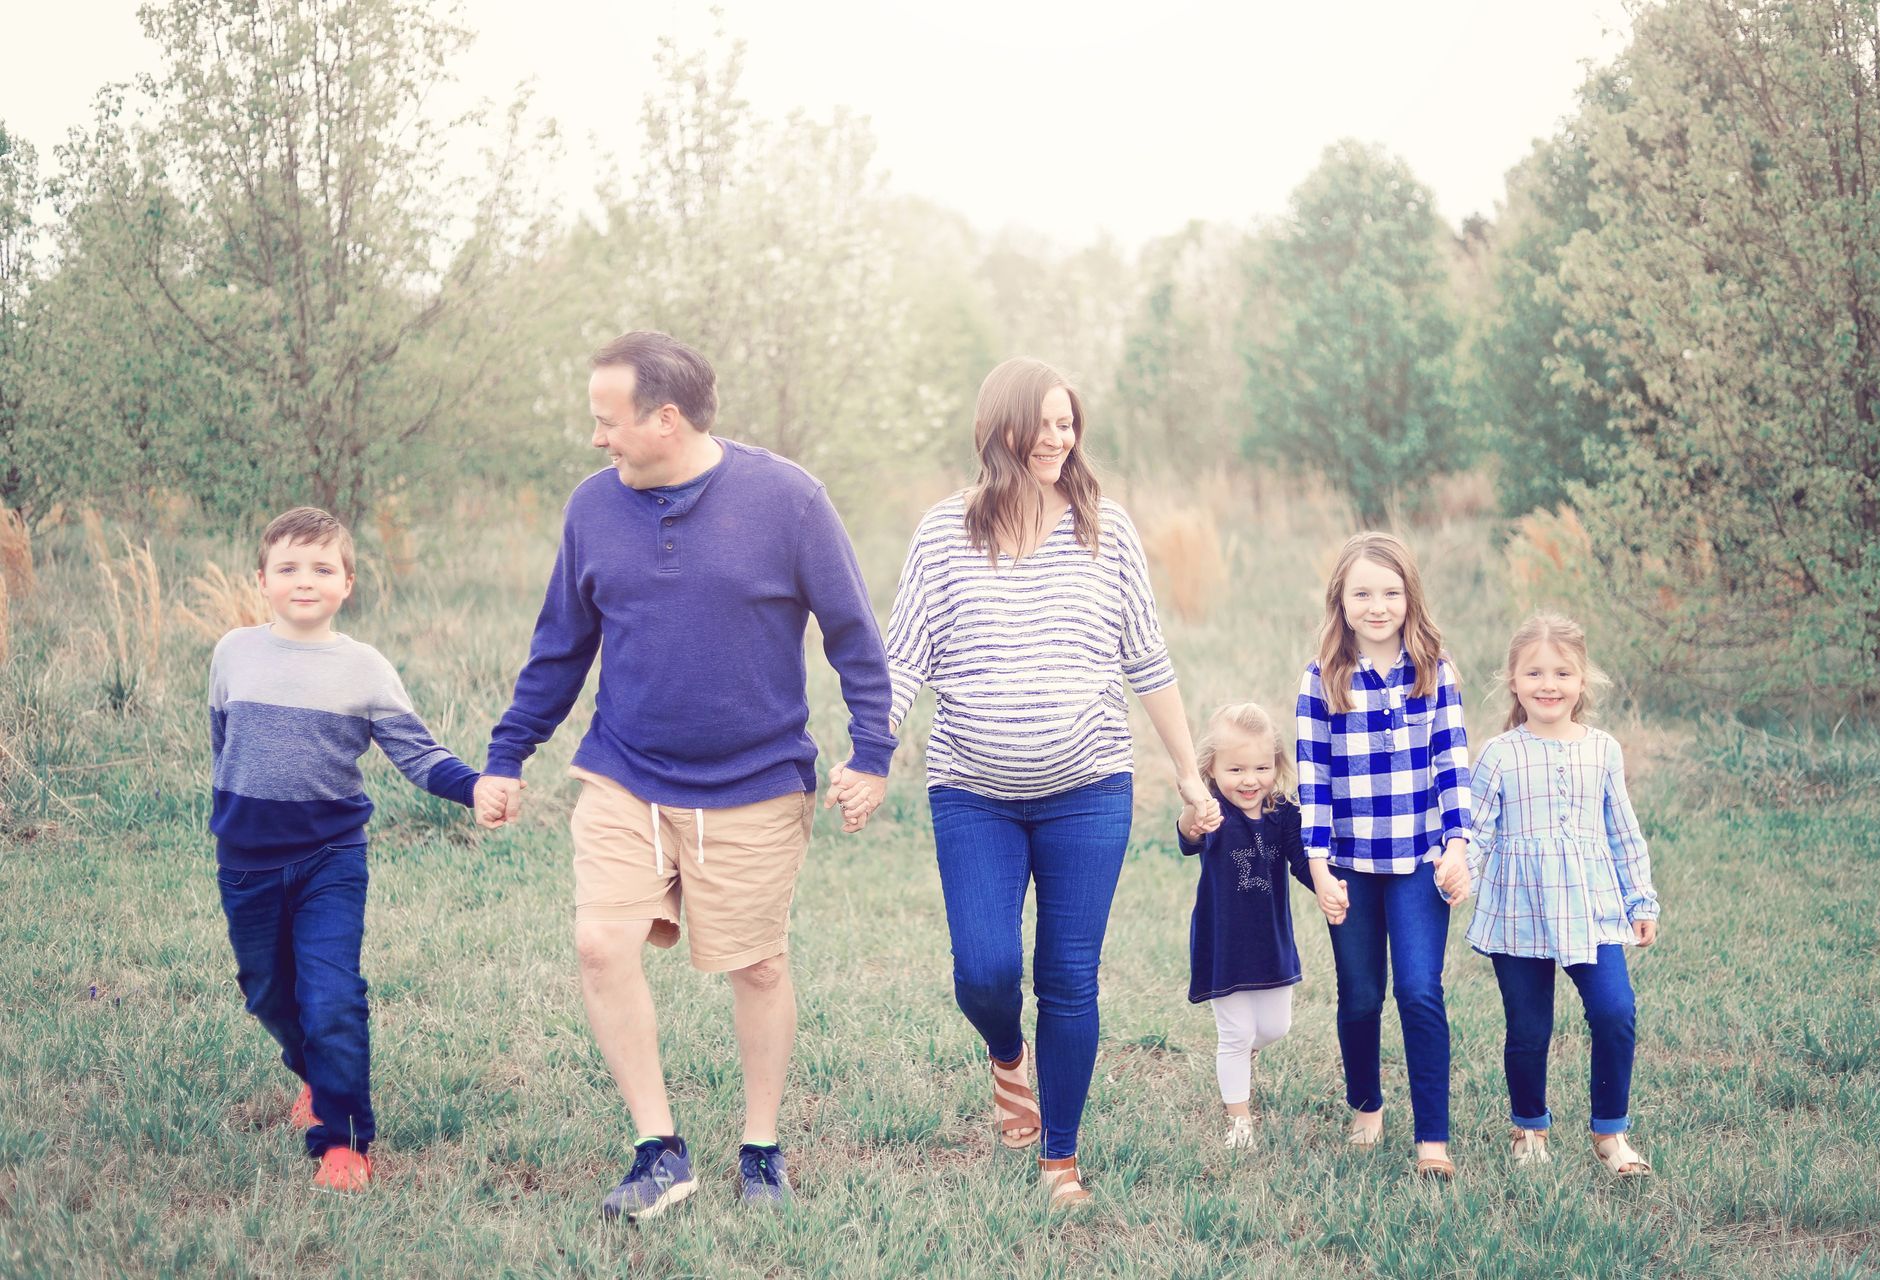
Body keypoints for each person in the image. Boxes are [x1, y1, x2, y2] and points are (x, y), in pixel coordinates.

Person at [473, 331, 895, 1219]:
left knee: (758, 968)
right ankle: (658, 1148)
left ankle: (761, 1149)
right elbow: (560, 648)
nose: (598, 440)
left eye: (608, 422)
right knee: (599, 944)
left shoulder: (788, 501)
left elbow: (853, 634)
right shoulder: (593, 508)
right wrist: (509, 753)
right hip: (625, 772)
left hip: (757, 782)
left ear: (666, 419)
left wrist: (871, 754)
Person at [834, 356, 1220, 1210]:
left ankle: (1060, 1160)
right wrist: (869, 757)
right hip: (972, 790)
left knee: (1069, 976)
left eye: (1068, 422)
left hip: (1089, 785)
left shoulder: (1103, 529)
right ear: (1001, 429)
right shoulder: (943, 533)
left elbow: (1147, 661)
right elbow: (902, 660)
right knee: (984, 970)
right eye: (1043, 422)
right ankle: (1008, 1059)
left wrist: (1191, 777)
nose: (1059, 438)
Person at [208, 507, 484, 1193]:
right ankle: (314, 1075)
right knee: (268, 993)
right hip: (246, 858)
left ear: (347, 584)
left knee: (330, 996)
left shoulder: (363, 668)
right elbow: (224, 745)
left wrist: (476, 789)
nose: (306, 580)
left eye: (323, 568)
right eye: (289, 567)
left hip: (331, 858)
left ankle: (344, 1140)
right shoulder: (233, 654)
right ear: (263, 580)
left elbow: (417, 755)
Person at [1295, 530, 1472, 1178]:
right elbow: (1311, 782)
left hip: (1419, 860)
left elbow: (1453, 764)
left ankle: (1433, 1140)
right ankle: (1366, 1104)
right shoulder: (1322, 679)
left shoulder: (1433, 670)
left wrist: (1458, 844)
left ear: (1410, 597)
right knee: (1362, 994)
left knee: (1420, 992)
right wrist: (1317, 867)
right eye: (1362, 592)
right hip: (1349, 865)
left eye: (1391, 592)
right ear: (1340, 601)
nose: (1378, 605)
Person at [1465, 612, 1659, 1176]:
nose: (1548, 685)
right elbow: (1475, 831)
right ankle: (1530, 1131)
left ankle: (1611, 1135)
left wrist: (1640, 900)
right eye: (1534, 673)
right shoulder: (1500, 752)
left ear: (1582, 681)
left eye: (1562, 673)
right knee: (1529, 1028)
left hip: (1590, 908)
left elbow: (1624, 832)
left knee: (1614, 1011)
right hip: (1519, 909)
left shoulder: (1603, 749)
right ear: (1513, 681)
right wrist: (1458, 875)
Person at [1176, 703, 1312, 1150]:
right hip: (1225, 944)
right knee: (1234, 1034)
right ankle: (1239, 1122)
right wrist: (1194, 814)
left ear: (1277, 764)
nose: (1249, 780)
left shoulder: (1284, 812)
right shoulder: (1214, 812)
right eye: (1235, 769)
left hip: (1271, 940)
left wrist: (1332, 886)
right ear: (1211, 770)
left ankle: (1243, 1055)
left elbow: (1301, 863)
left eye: (1261, 767)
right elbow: (1189, 834)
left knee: (1275, 1027)